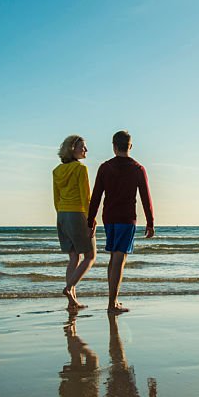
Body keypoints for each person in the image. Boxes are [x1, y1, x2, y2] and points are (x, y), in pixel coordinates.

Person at [87, 129, 155, 313]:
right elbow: (145, 197)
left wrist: (90, 219)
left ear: (114, 146)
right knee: (119, 258)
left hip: (108, 217)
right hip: (126, 218)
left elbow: (96, 197)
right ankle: (111, 304)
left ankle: (113, 301)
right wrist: (150, 222)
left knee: (114, 258)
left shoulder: (105, 167)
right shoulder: (138, 168)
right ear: (130, 146)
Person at [53, 135, 96, 309]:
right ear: (73, 149)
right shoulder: (80, 168)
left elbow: (56, 198)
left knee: (73, 257)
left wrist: (61, 216)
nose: (86, 150)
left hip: (62, 214)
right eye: (83, 147)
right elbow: (86, 197)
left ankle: (72, 302)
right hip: (78, 213)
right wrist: (91, 219)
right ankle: (69, 288)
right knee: (90, 256)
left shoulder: (57, 170)